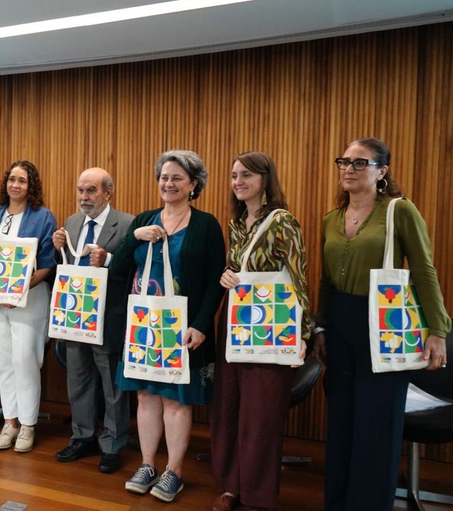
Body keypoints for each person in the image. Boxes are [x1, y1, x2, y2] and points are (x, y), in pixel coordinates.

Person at [313, 137, 450, 511]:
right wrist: (320, 326)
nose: (349, 169)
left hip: (383, 324)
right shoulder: (331, 218)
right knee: (342, 423)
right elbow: (326, 279)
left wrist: (438, 330)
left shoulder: (399, 211)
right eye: (344, 162)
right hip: (339, 325)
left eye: (361, 163)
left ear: (382, 172)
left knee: (377, 425)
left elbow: (423, 270)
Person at [111, 150, 225, 503]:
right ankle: (147, 464)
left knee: (176, 399)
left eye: (177, 178)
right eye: (164, 176)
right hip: (145, 327)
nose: (168, 183)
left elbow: (213, 281)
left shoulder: (206, 225)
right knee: (145, 396)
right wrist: (134, 237)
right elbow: (116, 271)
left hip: (185, 329)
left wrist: (202, 325)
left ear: (193, 184)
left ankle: (174, 471)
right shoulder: (144, 219)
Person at [210, 152, 311, 511]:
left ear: (265, 178)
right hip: (235, 325)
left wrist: (303, 334)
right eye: (234, 175)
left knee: (261, 415)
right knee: (230, 408)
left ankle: (257, 496)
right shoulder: (237, 223)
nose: (238, 181)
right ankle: (231, 486)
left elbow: (298, 278)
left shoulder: (283, 222)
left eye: (246, 175)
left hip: (271, 328)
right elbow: (236, 270)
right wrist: (226, 275)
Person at [51, 167, 134, 474]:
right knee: (79, 380)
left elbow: (133, 271)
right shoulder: (72, 222)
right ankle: (83, 436)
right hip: (75, 318)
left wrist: (108, 262)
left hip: (108, 318)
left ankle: (112, 444)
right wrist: (58, 248)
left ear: (107, 193)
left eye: (91, 191)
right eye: (80, 190)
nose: (83, 197)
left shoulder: (126, 224)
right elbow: (66, 268)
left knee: (113, 386)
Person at [0, 161, 56, 454]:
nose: (15, 185)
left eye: (22, 180)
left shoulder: (43, 216)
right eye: (11, 179)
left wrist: (20, 289)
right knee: (4, 362)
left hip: (30, 301)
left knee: (25, 361)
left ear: (31, 186)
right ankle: (10, 422)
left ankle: (29, 425)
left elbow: (47, 264)